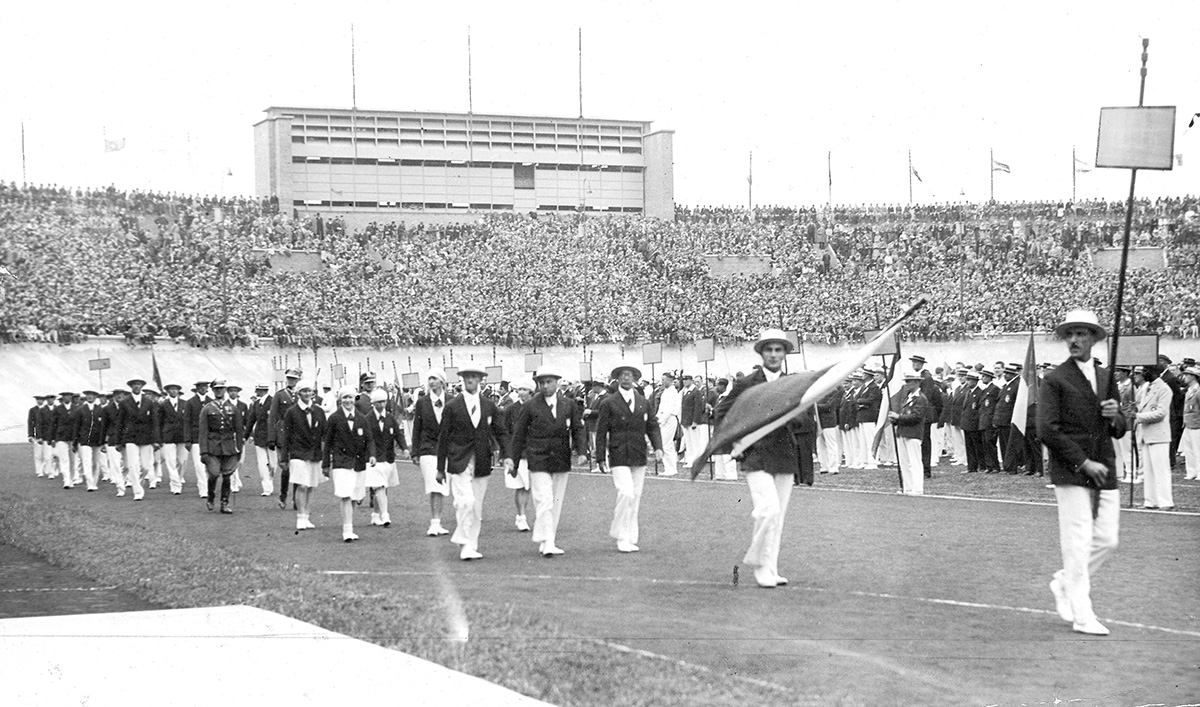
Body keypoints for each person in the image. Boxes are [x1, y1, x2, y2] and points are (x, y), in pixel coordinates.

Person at [1038, 309, 1127, 636]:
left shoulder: (1106, 378)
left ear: (1093, 338)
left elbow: (1119, 427)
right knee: (1077, 543)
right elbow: (1047, 429)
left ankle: (1064, 582)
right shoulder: (1055, 378)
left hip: (1105, 466)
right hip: (1072, 469)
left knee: (1107, 539)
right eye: (1070, 335)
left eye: (1081, 334)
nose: (1074, 340)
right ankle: (1082, 615)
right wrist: (1082, 462)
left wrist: (1116, 415)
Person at [713, 329, 803, 588]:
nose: (774, 355)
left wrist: (794, 413)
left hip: (784, 453)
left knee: (779, 515)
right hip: (756, 455)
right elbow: (721, 413)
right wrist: (734, 446)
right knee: (768, 510)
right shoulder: (746, 383)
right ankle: (759, 565)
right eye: (769, 350)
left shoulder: (795, 384)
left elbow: (805, 420)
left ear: (785, 353)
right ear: (761, 353)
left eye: (779, 350)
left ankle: (771, 568)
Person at [507, 371, 587, 557]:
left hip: (560, 458)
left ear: (557, 383)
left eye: (548, 382)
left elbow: (578, 429)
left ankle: (547, 538)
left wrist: (582, 451)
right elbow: (518, 434)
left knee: (556, 501)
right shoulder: (529, 406)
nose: (544, 386)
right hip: (538, 458)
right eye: (541, 382)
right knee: (544, 499)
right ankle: (548, 541)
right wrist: (514, 460)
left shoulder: (569, 405)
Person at [436, 366, 507, 560]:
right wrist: (440, 468)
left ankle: (471, 545)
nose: (470, 380)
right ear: (462, 380)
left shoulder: (489, 405)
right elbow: (443, 437)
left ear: (480, 380)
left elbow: (500, 431)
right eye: (467, 377)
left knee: (476, 507)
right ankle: (464, 542)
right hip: (459, 461)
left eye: (474, 377)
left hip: (482, 461)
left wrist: (507, 455)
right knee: (465, 501)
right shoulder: (452, 406)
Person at [595, 364, 663, 553]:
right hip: (618, 453)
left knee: (636, 496)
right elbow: (601, 431)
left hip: (638, 453)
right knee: (626, 493)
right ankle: (620, 534)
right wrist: (600, 457)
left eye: (629, 375)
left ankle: (630, 536)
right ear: (617, 379)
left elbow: (652, 426)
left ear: (635, 379)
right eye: (622, 375)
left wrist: (658, 447)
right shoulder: (608, 403)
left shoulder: (643, 402)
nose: (626, 378)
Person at [323, 386, 377, 542]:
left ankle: (349, 526)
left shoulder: (362, 418)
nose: (348, 400)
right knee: (346, 495)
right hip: (341, 463)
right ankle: (347, 530)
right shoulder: (334, 418)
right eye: (345, 397)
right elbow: (327, 443)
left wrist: (372, 455)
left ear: (355, 399)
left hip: (359, 463)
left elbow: (370, 439)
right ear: (340, 400)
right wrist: (326, 464)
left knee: (354, 497)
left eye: (351, 398)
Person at [280, 379, 325, 531]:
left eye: (309, 391)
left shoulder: (319, 411)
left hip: (315, 453)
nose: (307, 394)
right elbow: (286, 436)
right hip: (298, 453)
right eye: (303, 391)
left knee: (311, 485)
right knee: (302, 485)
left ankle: (307, 516)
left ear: (313, 393)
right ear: (298, 393)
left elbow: (324, 434)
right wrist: (284, 457)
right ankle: (300, 517)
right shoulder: (291, 412)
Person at [410, 370, 451, 536]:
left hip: (447, 450)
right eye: (430, 379)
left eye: (435, 379)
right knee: (434, 485)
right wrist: (415, 451)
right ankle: (434, 522)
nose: (432, 382)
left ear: (442, 382)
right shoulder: (422, 402)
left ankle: (438, 522)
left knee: (442, 488)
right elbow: (417, 428)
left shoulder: (452, 401)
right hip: (428, 449)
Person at [198, 380, 243, 514]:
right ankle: (211, 496)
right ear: (212, 390)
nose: (219, 391)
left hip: (229, 446)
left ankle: (224, 503)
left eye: (221, 388)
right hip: (213, 446)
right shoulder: (207, 408)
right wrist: (203, 452)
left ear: (225, 390)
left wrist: (239, 448)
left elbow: (239, 430)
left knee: (227, 475)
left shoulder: (233, 408)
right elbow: (203, 432)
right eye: (216, 389)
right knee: (213, 473)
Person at [1134, 364, 1174, 510]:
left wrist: (1138, 416)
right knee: (1148, 470)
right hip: (1145, 434)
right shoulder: (1145, 388)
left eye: (1146, 371)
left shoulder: (1164, 389)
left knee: (1161, 469)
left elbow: (1160, 413)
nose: (1143, 373)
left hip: (1158, 434)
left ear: (1154, 372)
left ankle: (1165, 501)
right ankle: (1150, 500)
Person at [366, 387, 406, 527]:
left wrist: (405, 448)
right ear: (373, 403)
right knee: (380, 486)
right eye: (378, 402)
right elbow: (368, 439)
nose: (382, 405)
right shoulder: (368, 419)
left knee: (383, 486)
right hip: (373, 458)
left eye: (383, 402)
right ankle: (385, 514)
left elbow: (398, 434)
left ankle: (376, 514)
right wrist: (371, 455)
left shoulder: (390, 418)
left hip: (388, 457)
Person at [117, 379, 161, 500]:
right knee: (133, 465)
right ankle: (137, 492)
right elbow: (119, 423)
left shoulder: (148, 402)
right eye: (134, 385)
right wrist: (118, 441)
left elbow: (154, 422)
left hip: (145, 437)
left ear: (142, 387)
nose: (136, 386)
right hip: (130, 437)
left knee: (146, 466)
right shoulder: (125, 403)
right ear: (131, 387)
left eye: (139, 385)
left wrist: (156, 440)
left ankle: (139, 483)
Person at [889, 371, 930, 496]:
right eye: (906, 381)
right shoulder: (907, 397)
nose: (907, 384)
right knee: (904, 462)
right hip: (902, 432)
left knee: (915, 461)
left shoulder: (921, 399)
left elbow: (916, 417)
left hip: (913, 433)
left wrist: (898, 417)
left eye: (909, 381)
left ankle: (917, 488)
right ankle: (908, 487)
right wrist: (895, 420)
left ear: (917, 382)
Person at [502, 379, 534, 532]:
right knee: (519, 486)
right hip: (516, 454)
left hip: (532, 453)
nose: (521, 392)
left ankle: (522, 516)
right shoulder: (511, 409)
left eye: (525, 389)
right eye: (519, 389)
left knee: (527, 487)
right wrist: (507, 453)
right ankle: (521, 516)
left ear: (530, 392)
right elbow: (506, 432)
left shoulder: (536, 408)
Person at [268, 368, 302, 509]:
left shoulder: (302, 395)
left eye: (294, 378)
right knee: (286, 468)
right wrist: (272, 437)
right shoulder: (280, 395)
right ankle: (283, 496)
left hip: (299, 435)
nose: (291, 381)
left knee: (298, 468)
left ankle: (296, 498)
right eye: (289, 378)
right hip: (283, 435)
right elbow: (273, 417)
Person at [71, 390, 107, 492]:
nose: (90, 397)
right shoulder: (80, 410)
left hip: (97, 440)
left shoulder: (100, 410)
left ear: (96, 397)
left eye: (92, 395)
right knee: (86, 461)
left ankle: (94, 482)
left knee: (96, 462)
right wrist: (75, 442)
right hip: (84, 440)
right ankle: (90, 483)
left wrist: (103, 441)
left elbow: (103, 427)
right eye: (88, 395)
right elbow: (76, 427)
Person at [244, 383, 276, 497]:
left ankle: (270, 480)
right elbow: (250, 421)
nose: (256, 391)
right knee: (262, 464)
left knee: (273, 463)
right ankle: (266, 487)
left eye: (257, 389)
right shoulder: (256, 404)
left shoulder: (273, 401)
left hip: (272, 437)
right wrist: (245, 436)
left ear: (261, 390)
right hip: (259, 436)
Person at [158, 383, 189, 495]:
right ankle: (175, 485)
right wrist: (160, 437)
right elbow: (159, 422)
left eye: (176, 389)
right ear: (167, 391)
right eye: (171, 389)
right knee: (170, 461)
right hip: (168, 435)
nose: (174, 391)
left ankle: (178, 478)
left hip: (182, 435)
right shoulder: (162, 405)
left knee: (182, 461)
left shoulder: (185, 404)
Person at [654, 371, 682, 476]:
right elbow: (662, 407)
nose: (662, 382)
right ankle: (669, 468)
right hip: (663, 417)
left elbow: (669, 409)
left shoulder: (672, 392)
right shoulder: (665, 391)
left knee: (666, 444)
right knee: (666, 444)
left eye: (663, 380)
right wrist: (657, 417)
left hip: (669, 418)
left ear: (669, 380)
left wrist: (661, 421)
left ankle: (671, 468)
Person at [1181, 365, 1200, 481]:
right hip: (1188, 423)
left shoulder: (1198, 390)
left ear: (1193, 377)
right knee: (1188, 449)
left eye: (1187, 375)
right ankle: (1191, 471)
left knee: (1197, 449)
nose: (1185, 377)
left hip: (1197, 424)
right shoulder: (1189, 390)